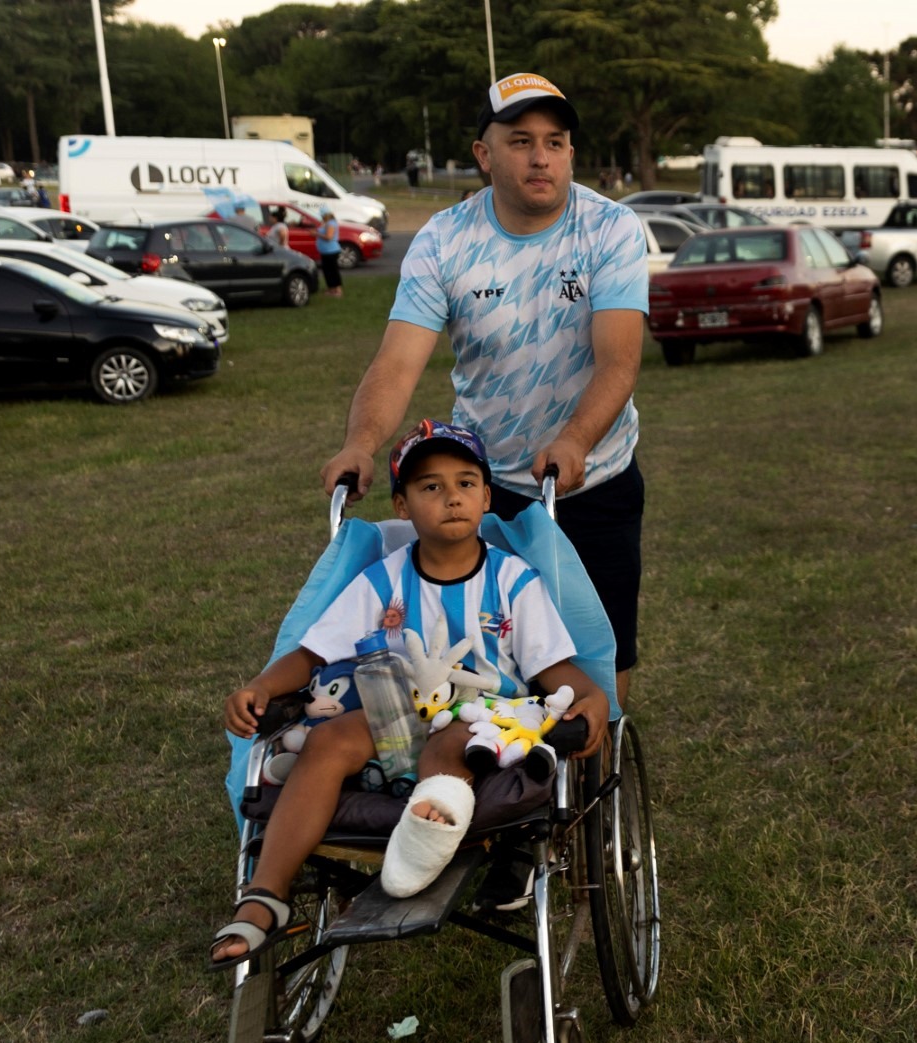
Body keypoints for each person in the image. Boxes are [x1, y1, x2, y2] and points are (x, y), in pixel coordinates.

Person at [211, 421, 609, 968]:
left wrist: (592, 697)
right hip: (395, 712)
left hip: (486, 716)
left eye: (466, 484)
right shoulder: (382, 581)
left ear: (487, 498)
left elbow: (556, 669)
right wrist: (260, 686)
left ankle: (416, 851)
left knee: (451, 744)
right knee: (328, 743)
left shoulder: (514, 581)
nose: (452, 497)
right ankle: (265, 896)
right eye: (430, 487)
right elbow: (311, 655)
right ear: (402, 506)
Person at [320, 71, 648, 708]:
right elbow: (397, 360)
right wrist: (361, 443)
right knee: (492, 650)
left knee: (600, 645)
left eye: (556, 142)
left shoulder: (611, 229)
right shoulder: (444, 240)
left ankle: (596, 778)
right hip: (485, 487)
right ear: (484, 153)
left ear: (571, 153)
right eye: (521, 140)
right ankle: (505, 779)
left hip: (596, 476)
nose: (540, 157)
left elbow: (619, 361)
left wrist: (576, 439)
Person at [315, 206, 344, 297]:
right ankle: (331, 288)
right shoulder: (326, 223)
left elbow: (329, 237)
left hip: (331, 251)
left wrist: (316, 234)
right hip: (326, 251)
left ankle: (338, 290)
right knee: (327, 271)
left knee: (333, 270)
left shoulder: (331, 224)